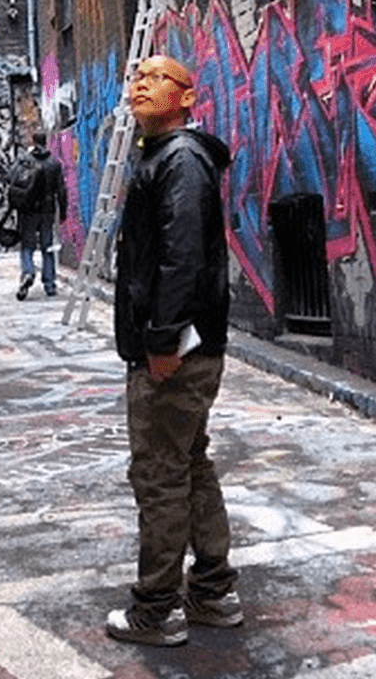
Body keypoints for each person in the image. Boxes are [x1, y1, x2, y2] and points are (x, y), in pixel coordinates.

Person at [104, 55, 238, 647]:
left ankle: (155, 610)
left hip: (175, 351)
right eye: (137, 77)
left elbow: (181, 258)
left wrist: (162, 340)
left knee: (159, 474)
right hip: (188, 345)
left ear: (188, 97)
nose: (140, 84)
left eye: (157, 78)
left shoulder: (180, 159)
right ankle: (213, 590)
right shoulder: (164, 156)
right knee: (189, 462)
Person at [13, 130, 68, 301]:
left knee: (27, 246)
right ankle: (50, 284)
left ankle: (28, 272)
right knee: (47, 247)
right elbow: (61, 190)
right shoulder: (54, 164)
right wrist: (63, 212)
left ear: (33, 141)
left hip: (28, 210)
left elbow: (13, 180)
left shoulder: (26, 162)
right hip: (47, 210)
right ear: (46, 142)